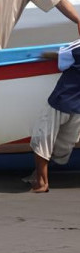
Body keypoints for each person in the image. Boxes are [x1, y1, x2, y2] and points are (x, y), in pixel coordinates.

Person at [28, 39, 80, 193]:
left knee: (42, 139)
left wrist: (42, 55)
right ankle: (43, 175)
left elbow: (61, 56)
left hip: (61, 100)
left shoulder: (78, 48)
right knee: (63, 144)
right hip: (78, 107)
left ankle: (41, 182)